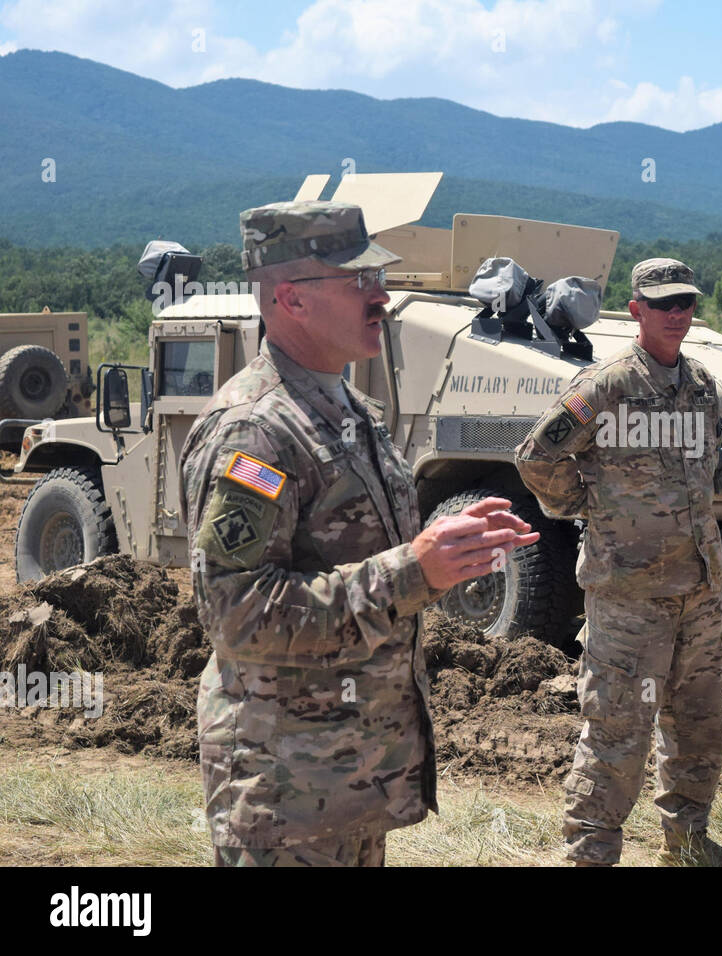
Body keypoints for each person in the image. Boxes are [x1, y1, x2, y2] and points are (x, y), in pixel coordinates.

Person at [180, 200, 538, 866]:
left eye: (379, 276)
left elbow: (363, 554)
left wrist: (441, 545)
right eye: (358, 281)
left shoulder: (351, 411)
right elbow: (236, 611)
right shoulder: (255, 431)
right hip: (285, 790)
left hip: (349, 777)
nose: (383, 295)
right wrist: (413, 571)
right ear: (290, 298)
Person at [515, 257, 722, 867]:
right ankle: (591, 853)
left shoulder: (701, 386)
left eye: (686, 303)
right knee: (618, 728)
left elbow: (715, 465)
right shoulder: (608, 386)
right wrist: (595, 507)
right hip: (628, 594)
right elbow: (536, 457)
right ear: (636, 310)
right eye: (663, 304)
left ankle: (688, 842)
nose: (677, 314)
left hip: (699, 589)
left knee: (700, 723)